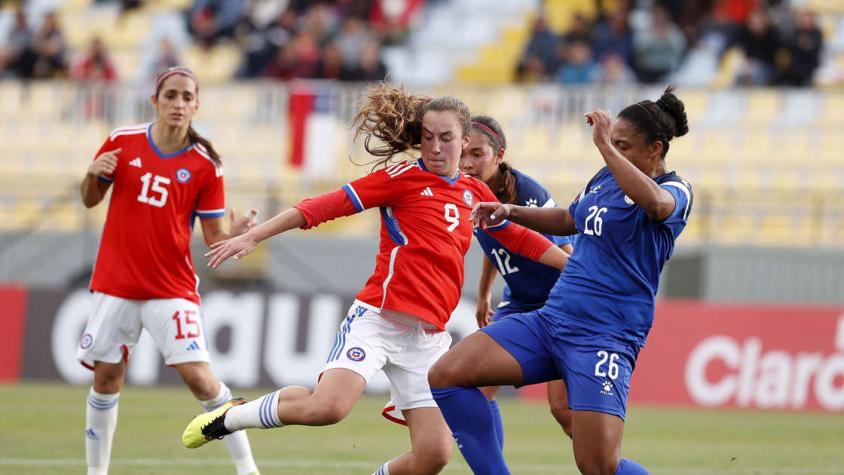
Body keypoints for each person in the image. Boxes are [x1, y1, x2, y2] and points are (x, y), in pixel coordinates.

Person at [181, 83, 569, 475]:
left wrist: (574, 268)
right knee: (327, 408)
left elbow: (521, 238)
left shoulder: (474, 193)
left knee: (434, 455)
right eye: (428, 138)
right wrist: (253, 235)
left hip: (428, 340)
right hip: (379, 319)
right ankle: (233, 416)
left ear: (464, 139)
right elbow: (322, 206)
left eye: (446, 138)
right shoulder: (401, 178)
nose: (435, 147)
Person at [428, 86, 693, 475]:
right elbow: (570, 219)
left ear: (655, 149)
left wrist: (605, 146)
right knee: (447, 375)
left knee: (598, 466)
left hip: (604, 336)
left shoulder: (676, 190)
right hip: (551, 321)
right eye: (613, 143)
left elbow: (654, 205)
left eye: (624, 145)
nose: (614, 151)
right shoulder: (606, 177)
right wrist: (509, 211)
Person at [77, 66, 260, 475]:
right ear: (155, 101)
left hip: (170, 288)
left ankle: (248, 469)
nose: (178, 104)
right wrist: (91, 174)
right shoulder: (122, 142)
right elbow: (90, 200)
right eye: (171, 96)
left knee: (201, 381)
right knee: (106, 378)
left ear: (196, 106)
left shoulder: (205, 164)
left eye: (186, 97)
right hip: (116, 284)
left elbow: (213, 238)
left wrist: (236, 234)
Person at [459, 115, 574, 447]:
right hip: (519, 302)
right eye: (464, 154)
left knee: (564, 411)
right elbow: (496, 244)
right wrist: (483, 295)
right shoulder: (470, 192)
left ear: (499, 154)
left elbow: (565, 252)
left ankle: (603, 464)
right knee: (476, 388)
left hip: (559, 303)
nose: (467, 163)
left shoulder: (527, 193)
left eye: (477, 154)